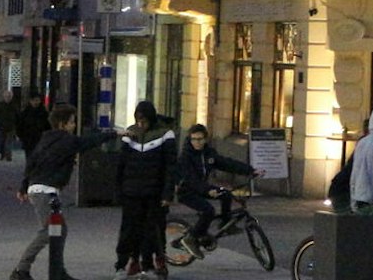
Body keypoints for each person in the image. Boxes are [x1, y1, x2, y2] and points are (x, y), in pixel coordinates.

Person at [13, 103, 116, 280]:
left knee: (59, 230)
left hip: (41, 189)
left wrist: (23, 186)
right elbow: (88, 142)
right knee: (49, 230)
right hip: (46, 192)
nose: (73, 125)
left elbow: (32, 162)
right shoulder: (67, 140)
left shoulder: (45, 139)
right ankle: (21, 270)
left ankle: (58, 271)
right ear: (62, 124)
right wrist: (113, 134)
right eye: (71, 122)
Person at [113, 99, 179, 278]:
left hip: (154, 192)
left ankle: (152, 262)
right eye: (138, 121)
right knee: (129, 229)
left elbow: (170, 167)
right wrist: (119, 189)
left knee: (153, 229)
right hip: (132, 191)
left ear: (151, 119)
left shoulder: (165, 135)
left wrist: (167, 193)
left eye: (144, 122)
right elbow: (121, 164)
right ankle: (127, 262)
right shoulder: (131, 133)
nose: (140, 125)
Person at [172, 123, 258, 256]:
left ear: (205, 139)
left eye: (200, 139)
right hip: (187, 191)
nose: (197, 142)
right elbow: (191, 180)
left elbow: (226, 163)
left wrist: (250, 170)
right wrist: (207, 191)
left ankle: (225, 222)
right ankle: (191, 239)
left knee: (226, 194)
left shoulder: (208, 154)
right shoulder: (185, 157)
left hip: (202, 187)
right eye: (194, 139)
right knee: (208, 210)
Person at [0, 87, 22, 161]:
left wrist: (16, 123)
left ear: (11, 97)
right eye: (6, 96)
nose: (8, 98)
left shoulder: (14, 105)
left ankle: (8, 155)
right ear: (4, 97)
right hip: (2, 126)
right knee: (2, 141)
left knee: (9, 142)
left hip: (11, 126)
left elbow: (18, 115)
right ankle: (2, 154)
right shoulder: (0, 105)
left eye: (9, 96)